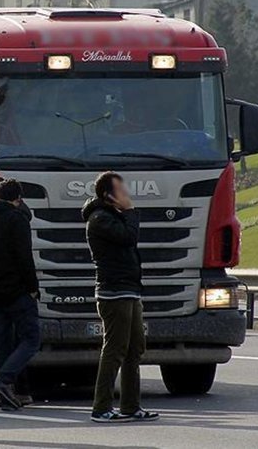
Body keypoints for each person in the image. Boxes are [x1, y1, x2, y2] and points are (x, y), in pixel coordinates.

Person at [83, 172, 159, 424]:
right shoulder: (100, 219)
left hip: (129, 289)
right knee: (114, 349)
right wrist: (131, 211)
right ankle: (101, 407)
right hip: (113, 292)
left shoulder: (113, 216)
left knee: (135, 348)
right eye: (121, 189)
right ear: (108, 195)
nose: (127, 194)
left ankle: (130, 405)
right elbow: (128, 237)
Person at [0, 179, 40, 411]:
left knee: (2, 344)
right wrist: (33, 287)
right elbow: (24, 257)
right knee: (31, 339)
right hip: (17, 291)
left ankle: (6, 396)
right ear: (18, 198)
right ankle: (5, 379)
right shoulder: (17, 219)